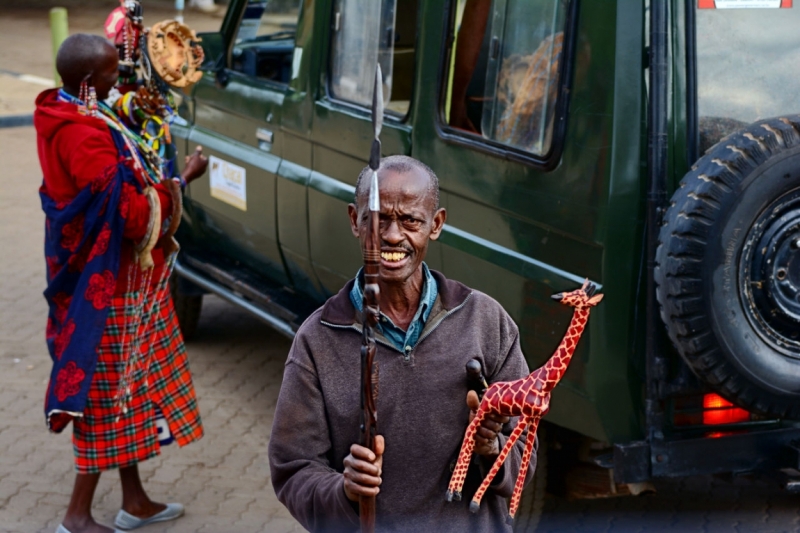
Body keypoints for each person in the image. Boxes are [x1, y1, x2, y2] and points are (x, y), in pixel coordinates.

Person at [268, 155, 535, 532]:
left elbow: (525, 453)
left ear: (436, 224)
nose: (393, 236)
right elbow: (293, 469)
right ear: (355, 221)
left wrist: (490, 451)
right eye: (379, 219)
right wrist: (343, 490)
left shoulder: (486, 322)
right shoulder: (318, 339)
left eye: (410, 220)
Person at [34, 34, 207, 533]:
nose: (120, 80)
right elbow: (128, 216)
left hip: (126, 281)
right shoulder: (81, 135)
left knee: (129, 389)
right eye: (113, 73)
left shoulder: (75, 111)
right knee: (106, 394)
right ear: (89, 81)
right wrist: (180, 183)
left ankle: (134, 500)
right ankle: (76, 515)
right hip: (108, 288)